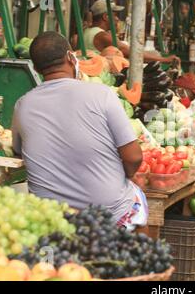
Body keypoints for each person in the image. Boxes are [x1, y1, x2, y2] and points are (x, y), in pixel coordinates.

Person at [12, 32, 147, 230]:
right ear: (70, 57)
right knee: (138, 198)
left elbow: (18, 150)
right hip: (108, 214)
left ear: (36, 68)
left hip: (52, 218)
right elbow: (134, 157)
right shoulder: (102, 94)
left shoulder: (22, 105)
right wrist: (123, 175)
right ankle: (143, 259)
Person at [83, 0, 179, 64]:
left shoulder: (87, 31)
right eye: (115, 15)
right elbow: (131, 52)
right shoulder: (102, 35)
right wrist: (163, 59)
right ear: (105, 17)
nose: (117, 19)